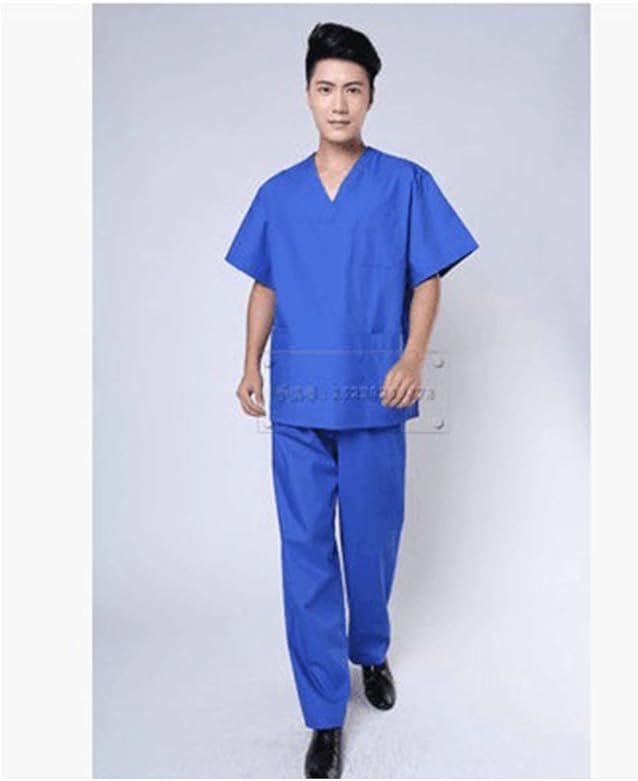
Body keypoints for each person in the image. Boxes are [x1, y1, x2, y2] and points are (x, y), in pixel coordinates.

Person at [224, 21, 479, 778]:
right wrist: (249, 365)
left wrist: (411, 356)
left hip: (374, 395)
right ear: (307, 94)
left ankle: (369, 649)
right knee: (304, 552)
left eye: (353, 90)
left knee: (369, 544)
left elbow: (426, 276)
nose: (339, 103)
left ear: (371, 97)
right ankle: (324, 714)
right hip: (299, 402)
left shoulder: (404, 183)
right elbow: (265, 283)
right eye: (326, 88)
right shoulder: (278, 194)